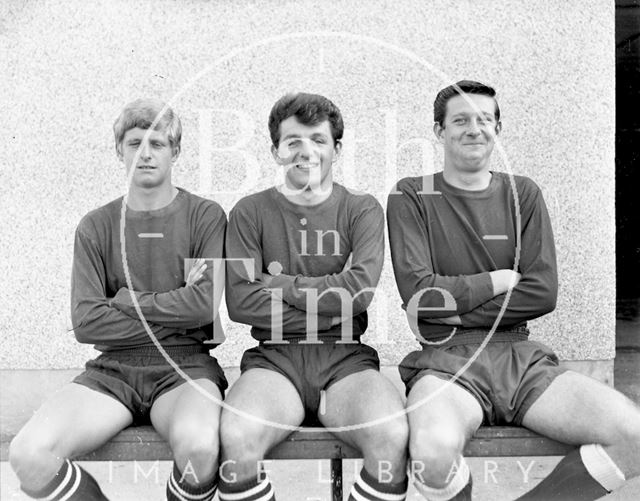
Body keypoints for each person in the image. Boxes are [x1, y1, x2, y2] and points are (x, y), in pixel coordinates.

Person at [386, 80, 640, 500]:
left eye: (485, 119)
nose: (474, 129)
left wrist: (451, 306)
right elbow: (419, 296)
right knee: (432, 453)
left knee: (634, 434)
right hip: (448, 359)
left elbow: (543, 293)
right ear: (439, 130)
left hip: (520, 357)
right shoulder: (411, 194)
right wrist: (497, 281)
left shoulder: (523, 193)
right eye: (461, 120)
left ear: (498, 129)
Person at [9, 98, 228, 501]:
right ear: (119, 150)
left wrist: (123, 300)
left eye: (157, 143)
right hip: (112, 370)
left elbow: (203, 308)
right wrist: (174, 305)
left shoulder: (204, 216)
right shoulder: (96, 226)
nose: (145, 153)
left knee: (200, 450)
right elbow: (87, 322)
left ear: (175, 151)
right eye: (134, 143)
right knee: (29, 455)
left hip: (185, 366)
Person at [221, 92, 409, 501]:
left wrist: (280, 285)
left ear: (336, 149)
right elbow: (241, 302)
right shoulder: (249, 212)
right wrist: (331, 303)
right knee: (236, 439)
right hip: (275, 358)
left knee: (391, 435)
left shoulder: (361, 209)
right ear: (275, 151)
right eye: (293, 142)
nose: (306, 152)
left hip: (344, 358)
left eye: (318, 140)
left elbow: (357, 294)